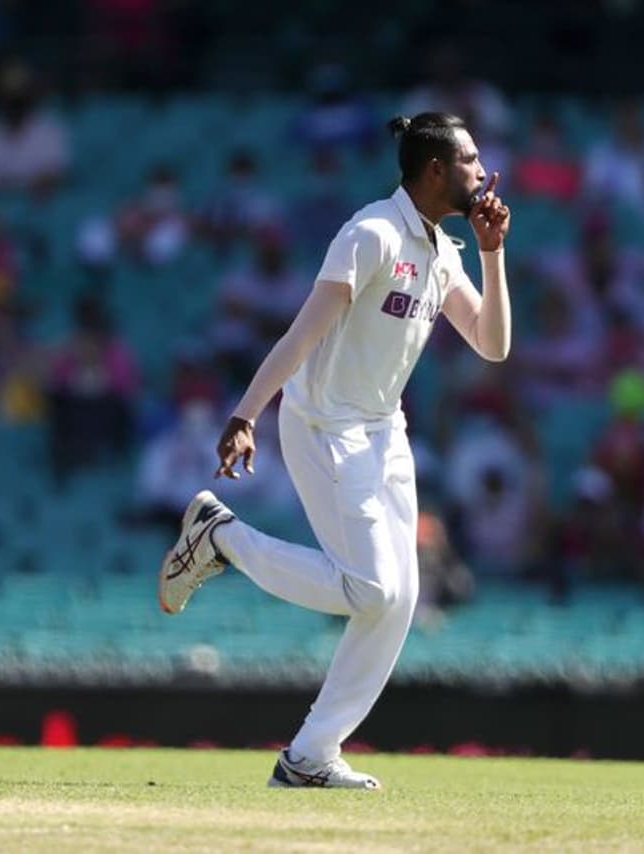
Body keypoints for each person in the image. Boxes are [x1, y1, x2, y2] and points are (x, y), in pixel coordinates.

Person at [159, 112, 512, 789]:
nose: (481, 170)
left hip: (384, 431)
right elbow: (300, 335)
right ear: (435, 170)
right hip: (323, 425)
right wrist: (244, 415)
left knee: (400, 598)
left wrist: (492, 253)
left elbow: (492, 345)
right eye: (470, 159)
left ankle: (309, 757)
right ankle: (221, 538)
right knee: (374, 588)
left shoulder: (442, 250)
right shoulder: (372, 233)